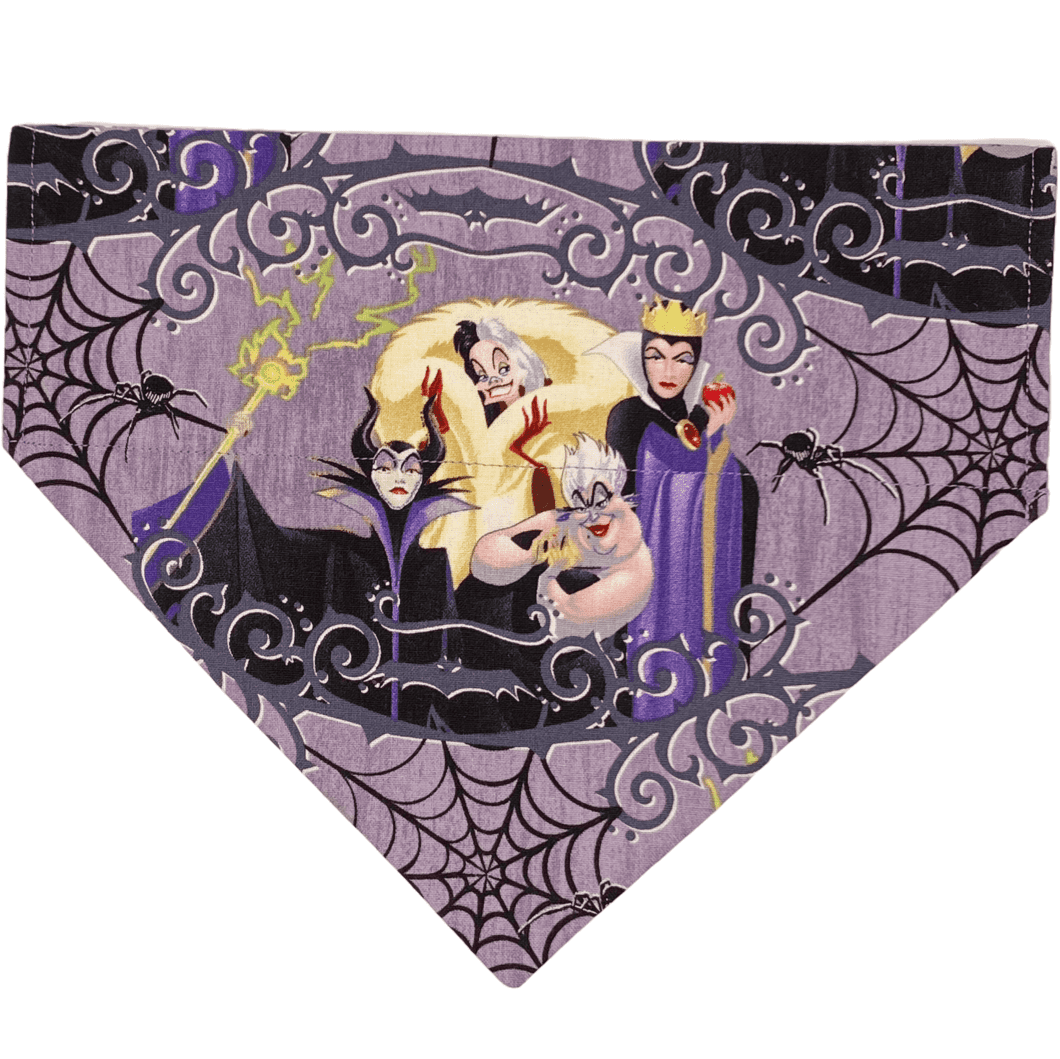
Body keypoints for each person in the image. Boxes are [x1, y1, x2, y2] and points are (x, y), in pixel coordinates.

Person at [132, 391, 472, 723]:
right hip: (346, 707)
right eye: (385, 467)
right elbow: (263, 539)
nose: (398, 476)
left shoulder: (433, 566)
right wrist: (228, 453)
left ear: (423, 478)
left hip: (416, 716)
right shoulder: (339, 550)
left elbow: (452, 648)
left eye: (410, 469)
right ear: (371, 475)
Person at [589, 297, 758, 718]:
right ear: (641, 358)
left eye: (682, 359)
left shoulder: (694, 417)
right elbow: (647, 481)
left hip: (699, 569)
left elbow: (723, 479)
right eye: (656, 356)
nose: (668, 370)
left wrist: (712, 435)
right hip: (648, 564)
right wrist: (710, 435)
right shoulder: (629, 415)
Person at [470, 434, 652, 642]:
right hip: (487, 626)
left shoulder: (635, 569)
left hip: (556, 651)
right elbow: (483, 558)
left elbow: (568, 620)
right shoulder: (563, 521)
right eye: (581, 505)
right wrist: (530, 555)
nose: (592, 515)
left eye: (601, 501)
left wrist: (550, 573)